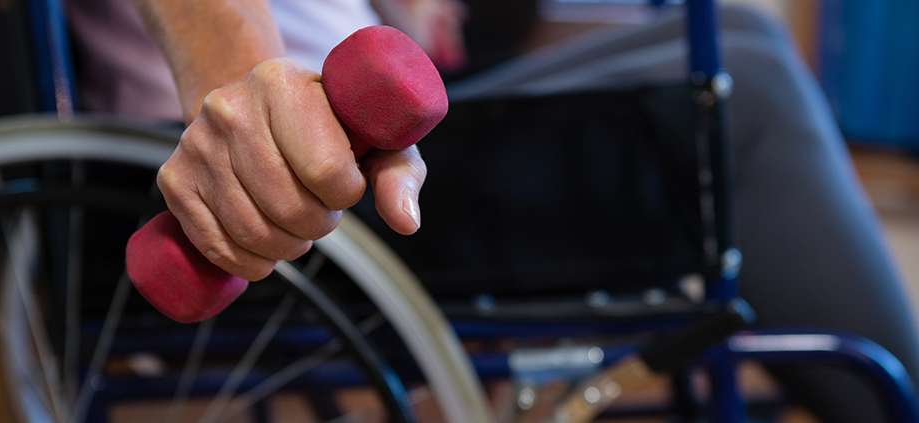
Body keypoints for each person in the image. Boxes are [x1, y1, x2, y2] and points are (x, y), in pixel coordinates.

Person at [66, 0, 919, 421]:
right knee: (751, 94)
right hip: (274, 138)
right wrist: (236, 81)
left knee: (747, 40)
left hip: (379, 103)